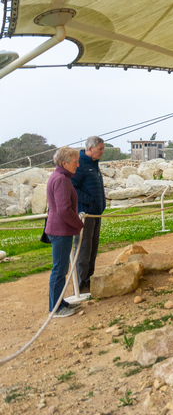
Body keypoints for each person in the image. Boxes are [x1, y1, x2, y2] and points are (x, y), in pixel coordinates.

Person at [46, 146, 85, 318]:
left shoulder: (59, 176)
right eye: (75, 162)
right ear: (65, 163)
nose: (77, 165)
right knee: (59, 270)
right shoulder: (61, 179)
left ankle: (59, 302)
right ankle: (56, 308)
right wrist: (79, 223)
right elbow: (63, 210)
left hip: (60, 229)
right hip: (61, 230)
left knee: (61, 269)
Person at [70, 136, 106, 293]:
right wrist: (89, 201)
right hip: (85, 215)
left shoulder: (94, 164)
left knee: (92, 249)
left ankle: (89, 280)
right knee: (83, 249)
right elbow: (72, 187)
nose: (102, 152)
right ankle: (81, 284)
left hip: (96, 214)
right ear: (90, 149)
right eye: (100, 149)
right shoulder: (81, 164)